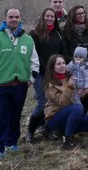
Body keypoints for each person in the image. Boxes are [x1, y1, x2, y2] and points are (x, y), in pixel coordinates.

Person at [0, 8, 39, 160]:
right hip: (1, 86)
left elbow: (34, 61)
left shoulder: (28, 40)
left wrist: (31, 79)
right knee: (0, 117)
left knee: (15, 115)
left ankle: (11, 142)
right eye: (11, 17)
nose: (14, 19)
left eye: (16, 17)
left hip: (20, 86)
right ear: (5, 18)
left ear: (20, 18)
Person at [25, 7, 68, 143]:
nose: (49, 19)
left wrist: (60, 65)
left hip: (56, 72)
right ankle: (31, 130)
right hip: (41, 73)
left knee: (54, 102)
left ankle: (47, 128)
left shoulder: (58, 33)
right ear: (43, 17)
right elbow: (34, 54)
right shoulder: (34, 33)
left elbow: (63, 50)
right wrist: (48, 68)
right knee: (42, 102)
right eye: (47, 16)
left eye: (52, 17)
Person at [43, 54, 88, 150]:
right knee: (78, 108)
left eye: (63, 63)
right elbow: (62, 102)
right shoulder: (50, 84)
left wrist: (81, 93)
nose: (62, 66)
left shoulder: (69, 76)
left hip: (72, 114)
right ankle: (67, 140)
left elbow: (75, 97)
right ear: (52, 67)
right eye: (58, 64)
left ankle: (65, 131)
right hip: (55, 117)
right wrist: (70, 87)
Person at [63, 5, 88, 113]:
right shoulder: (66, 29)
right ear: (73, 15)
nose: (82, 15)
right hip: (73, 67)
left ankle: (84, 116)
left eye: (83, 13)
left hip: (87, 66)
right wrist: (73, 61)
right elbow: (64, 49)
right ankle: (72, 116)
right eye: (79, 13)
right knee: (72, 94)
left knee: (84, 94)